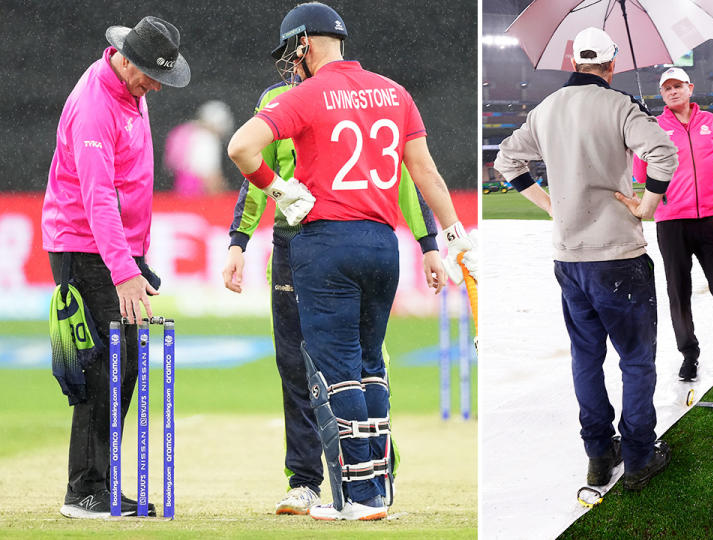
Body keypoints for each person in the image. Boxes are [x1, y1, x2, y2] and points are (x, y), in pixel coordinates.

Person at [225, 3, 477, 521]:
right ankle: (379, 489)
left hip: (325, 244)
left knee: (333, 371)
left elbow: (242, 147)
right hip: (383, 245)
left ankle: (357, 496)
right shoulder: (394, 92)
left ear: (304, 45)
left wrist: (280, 191)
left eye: (291, 52)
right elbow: (423, 172)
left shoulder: (305, 95)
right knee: (370, 368)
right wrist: (452, 237)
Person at [495, 27, 678, 493]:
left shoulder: (545, 110)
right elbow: (664, 152)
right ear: (612, 64)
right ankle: (638, 457)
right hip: (618, 253)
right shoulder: (619, 105)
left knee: (586, 359)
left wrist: (549, 204)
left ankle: (599, 454)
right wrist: (648, 206)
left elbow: (507, 162)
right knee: (636, 361)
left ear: (573, 61)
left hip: (570, 257)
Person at [40, 16, 190, 518]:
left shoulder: (131, 92)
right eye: (149, 74)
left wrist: (136, 259)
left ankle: (98, 485)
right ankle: (85, 490)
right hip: (84, 248)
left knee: (121, 368)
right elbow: (98, 196)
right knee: (100, 367)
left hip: (112, 249)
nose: (154, 86)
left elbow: (132, 184)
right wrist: (123, 269)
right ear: (124, 58)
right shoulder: (95, 105)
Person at [633, 67, 713, 384]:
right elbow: (640, 176)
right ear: (661, 95)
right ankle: (689, 355)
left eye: (678, 86)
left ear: (690, 88)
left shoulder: (711, 123)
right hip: (672, 222)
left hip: (709, 221)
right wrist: (641, 141)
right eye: (667, 88)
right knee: (679, 292)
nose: (673, 91)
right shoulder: (655, 126)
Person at [164, 100, 234, 195]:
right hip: (198, 195)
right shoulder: (207, 139)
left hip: (180, 190)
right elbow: (211, 177)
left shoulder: (185, 131)